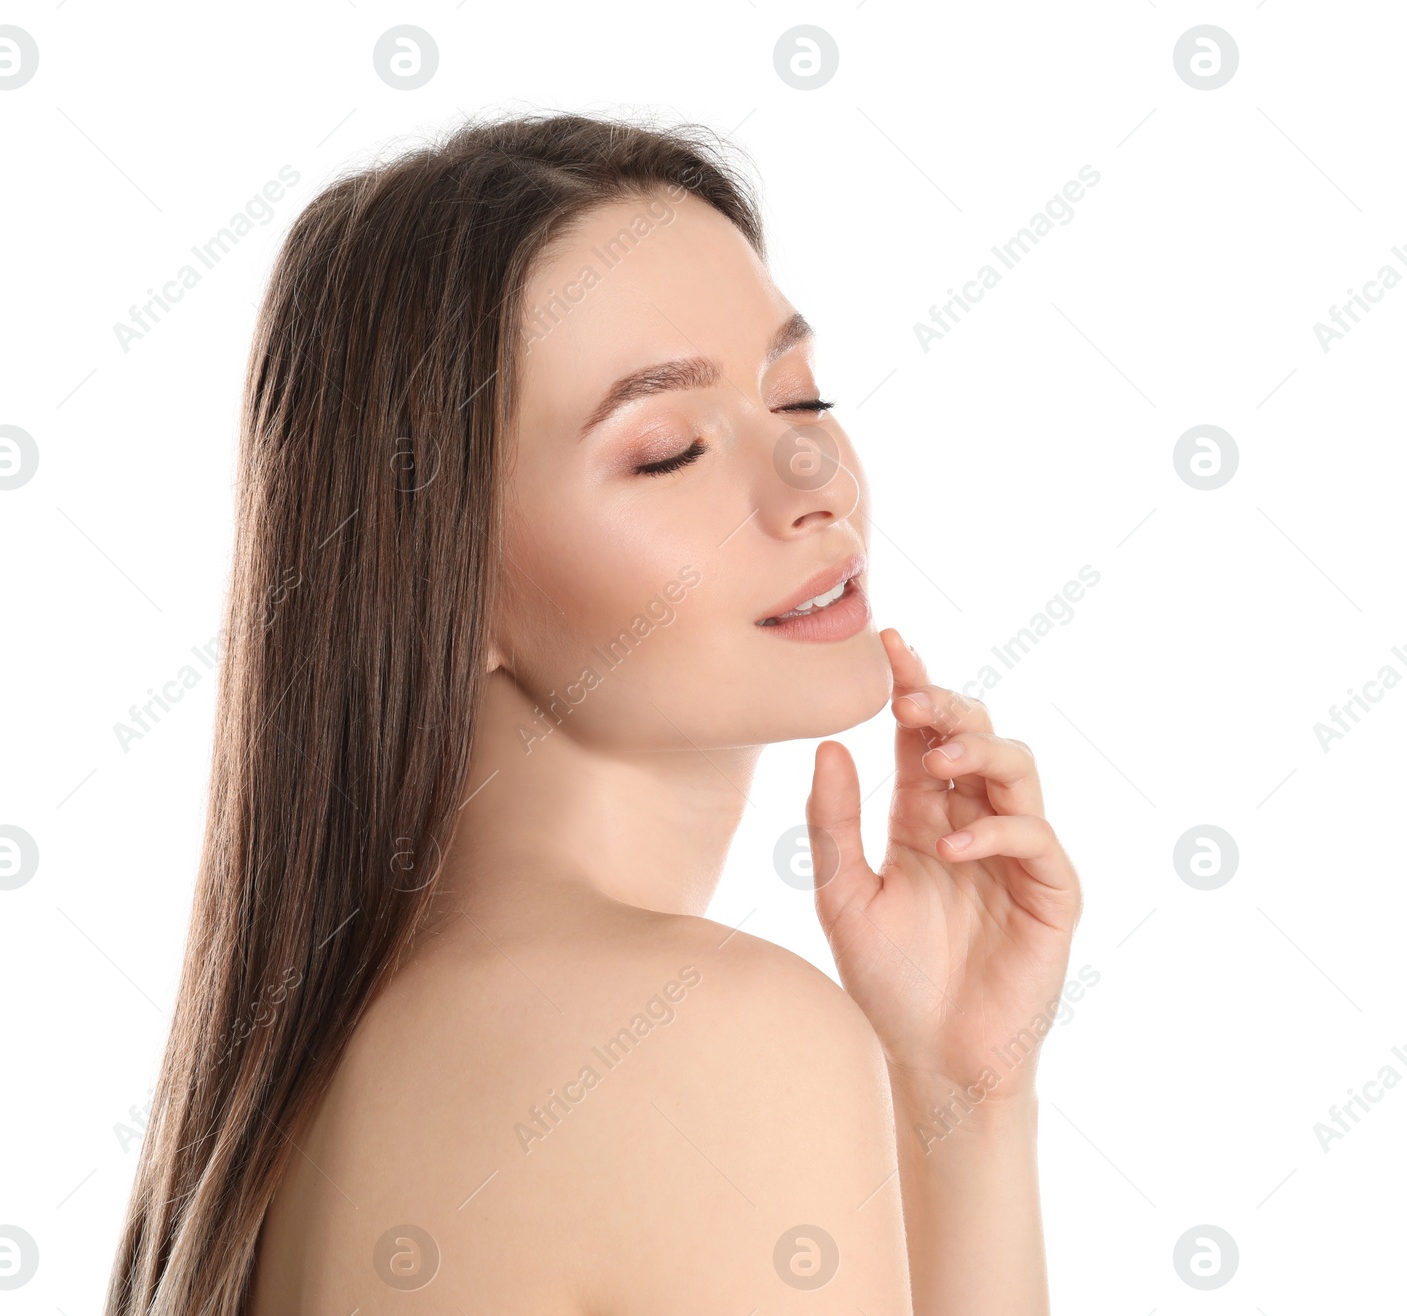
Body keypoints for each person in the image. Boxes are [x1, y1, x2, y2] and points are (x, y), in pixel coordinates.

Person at [106, 110, 1083, 1316]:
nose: (812, 477)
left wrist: (963, 1093)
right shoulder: (700, 1035)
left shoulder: (332, 1068)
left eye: (799, 397)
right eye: (667, 449)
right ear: (444, 582)